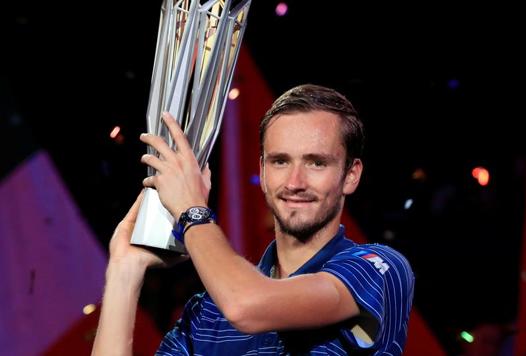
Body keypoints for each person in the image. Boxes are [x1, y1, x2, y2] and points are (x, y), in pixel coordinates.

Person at [91, 84, 415, 355]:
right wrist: (124, 269)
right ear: (262, 170)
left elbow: (246, 305)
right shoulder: (208, 314)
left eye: (316, 163)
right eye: (280, 161)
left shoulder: (377, 269)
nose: (295, 182)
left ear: (351, 175)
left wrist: (191, 210)